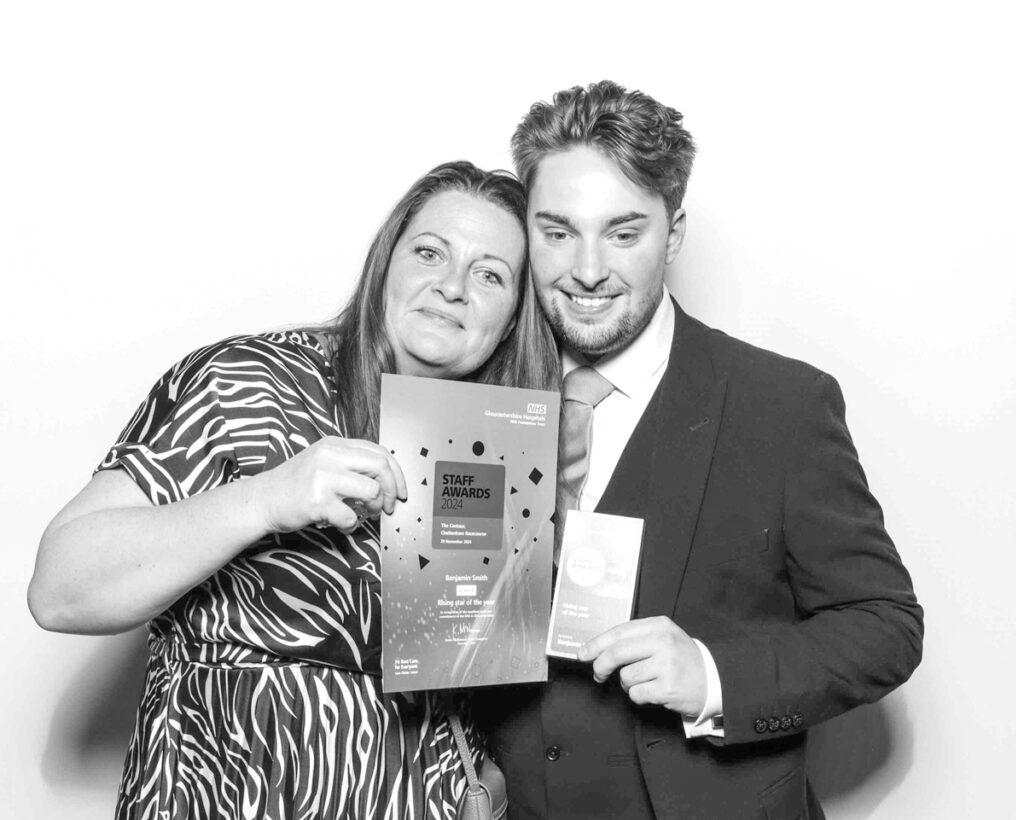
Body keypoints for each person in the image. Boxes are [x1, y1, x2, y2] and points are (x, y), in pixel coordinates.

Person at [28, 161, 559, 820]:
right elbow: (59, 589)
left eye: (490, 274)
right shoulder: (243, 383)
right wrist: (264, 499)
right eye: (430, 253)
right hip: (225, 796)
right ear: (384, 265)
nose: (452, 287)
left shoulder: (501, 447)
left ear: (511, 318)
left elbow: (485, 676)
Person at [472, 81, 924, 819]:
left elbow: (885, 625)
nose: (587, 271)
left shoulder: (780, 405)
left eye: (624, 233)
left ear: (673, 233)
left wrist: (715, 676)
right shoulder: (473, 399)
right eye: (557, 232)